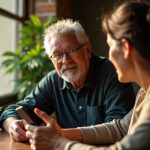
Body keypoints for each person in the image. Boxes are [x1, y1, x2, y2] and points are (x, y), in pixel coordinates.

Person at [24, 1, 150, 150]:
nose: (109, 55)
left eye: (110, 46)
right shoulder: (145, 92)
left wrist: (58, 143)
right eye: (57, 55)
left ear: (126, 48)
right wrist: (60, 134)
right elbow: (121, 128)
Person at [0, 19, 135, 142]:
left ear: (88, 50)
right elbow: (12, 111)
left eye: (71, 50)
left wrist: (58, 134)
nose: (65, 60)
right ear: (51, 59)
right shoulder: (53, 80)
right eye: (57, 54)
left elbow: (119, 130)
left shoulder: (113, 73)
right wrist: (13, 125)